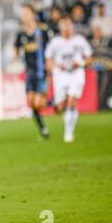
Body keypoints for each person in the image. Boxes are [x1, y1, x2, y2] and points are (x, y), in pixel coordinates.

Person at [45, 15, 93, 143]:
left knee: (71, 100)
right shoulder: (55, 42)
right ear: (59, 26)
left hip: (76, 73)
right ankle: (70, 117)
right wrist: (55, 66)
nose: (65, 27)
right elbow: (48, 60)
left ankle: (68, 131)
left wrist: (81, 63)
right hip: (60, 75)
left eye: (68, 24)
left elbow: (89, 57)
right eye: (63, 24)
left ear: (72, 25)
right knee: (60, 106)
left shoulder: (79, 40)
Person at [13, 5, 51, 139]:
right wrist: (13, 59)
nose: (24, 16)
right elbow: (16, 49)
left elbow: (50, 49)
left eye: (27, 13)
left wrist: (49, 63)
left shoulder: (43, 31)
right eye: (23, 14)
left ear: (33, 14)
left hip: (41, 72)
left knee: (38, 103)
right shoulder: (21, 34)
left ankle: (55, 102)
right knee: (31, 102)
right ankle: (43, 129)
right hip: (29, 73)